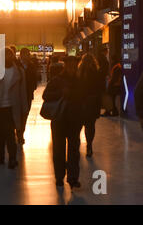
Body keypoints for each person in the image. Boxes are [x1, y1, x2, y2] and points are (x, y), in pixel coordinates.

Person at [42, 56, 82, 189]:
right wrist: (60, 93)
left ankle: (73, 178)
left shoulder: (80, 81)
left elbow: (84, 98)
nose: (72, 67)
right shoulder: (56, 80)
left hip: (75, 120)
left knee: (74, 150)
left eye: (74, 65)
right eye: (70, 65)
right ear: (65, 66)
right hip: (59, 119)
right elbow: (45, 96)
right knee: (59, 149)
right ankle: (59, 176)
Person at [77, 54, 102, 157]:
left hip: (80, 103)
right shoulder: (96, 72)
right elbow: (99, 88)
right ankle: (89, 146)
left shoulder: (78, 73)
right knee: (90, 126)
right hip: (93, 102)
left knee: (78, 126)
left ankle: (76, 146)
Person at [17, 48, 38, 144]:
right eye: (26, 54)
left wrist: (33, 87)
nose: (27, 56)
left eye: (28, 54)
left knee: (25, 114)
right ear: (21, 55)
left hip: (28, 94)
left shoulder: (31, 65)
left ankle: (21, 133)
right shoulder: (16, 65)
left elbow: (34, 78)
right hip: (17, 94)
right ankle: (18, 133)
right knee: (18, 114)